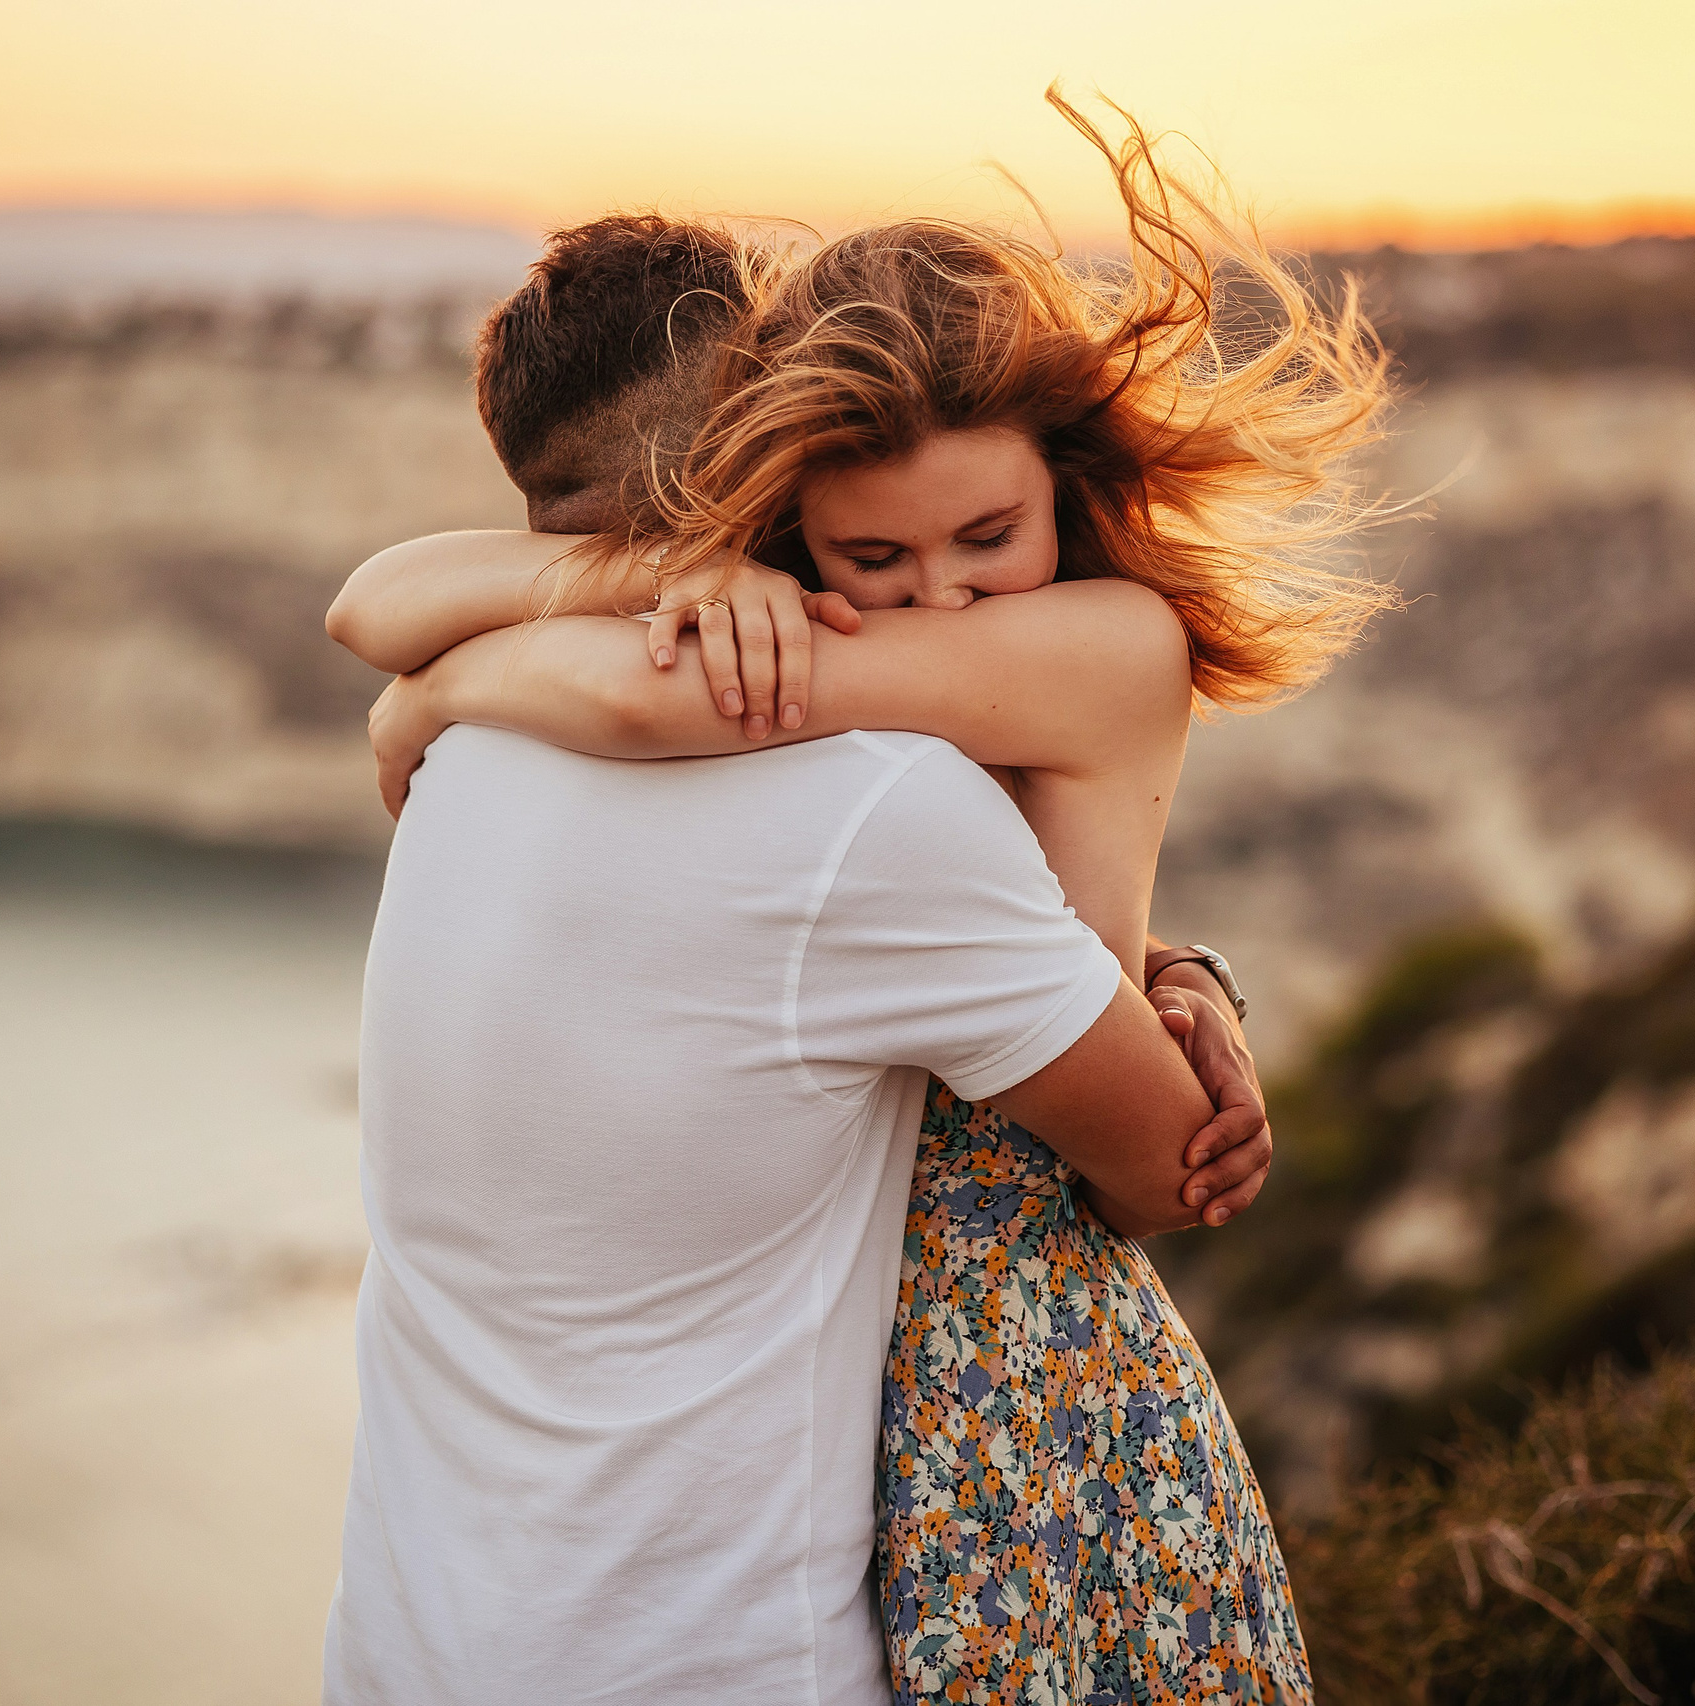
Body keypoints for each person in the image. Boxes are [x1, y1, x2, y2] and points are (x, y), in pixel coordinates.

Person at [328, 93, 1392, 1701]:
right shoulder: (875, 794)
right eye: (871, 556)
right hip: (831, 1539)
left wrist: (436, 691)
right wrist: (1182, 988)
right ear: (770, 505)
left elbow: (498, 651)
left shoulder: (511, 749)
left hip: (442, 1631)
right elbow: (1022, 1029)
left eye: (987, 535)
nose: (939, 596)